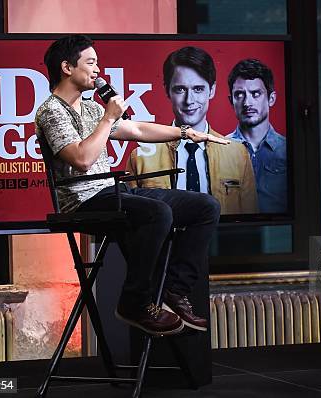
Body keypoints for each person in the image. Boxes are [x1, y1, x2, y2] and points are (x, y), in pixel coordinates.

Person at [35, 35, 230, 335]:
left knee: (205, 206)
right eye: (91, 63)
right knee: (158, 213)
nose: (98, 70)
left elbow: (137, 128)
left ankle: (174, 290)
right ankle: (134, 302)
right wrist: (108, 118)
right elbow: (82, 160)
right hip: (83, 201)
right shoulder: (51, 111)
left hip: (112, 192)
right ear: (67, 67)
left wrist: (186, 133)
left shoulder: (89, 109)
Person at [125, 47, 258, 215]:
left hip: (219, 240)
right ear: (167, 90)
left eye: (198, 89)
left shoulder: (238, 154)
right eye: (180, 89)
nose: (189, 100)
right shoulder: (140, 157)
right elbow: (131, 224)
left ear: (212, 90)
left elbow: (249, 220)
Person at [226, 59, 287, 213]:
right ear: (231, 100)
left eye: (256, 93)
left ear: (271, 99)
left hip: (279, 231)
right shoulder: (218, 150)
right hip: (228, 233)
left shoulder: (287, 149)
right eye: (239, 94)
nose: (247, 102)